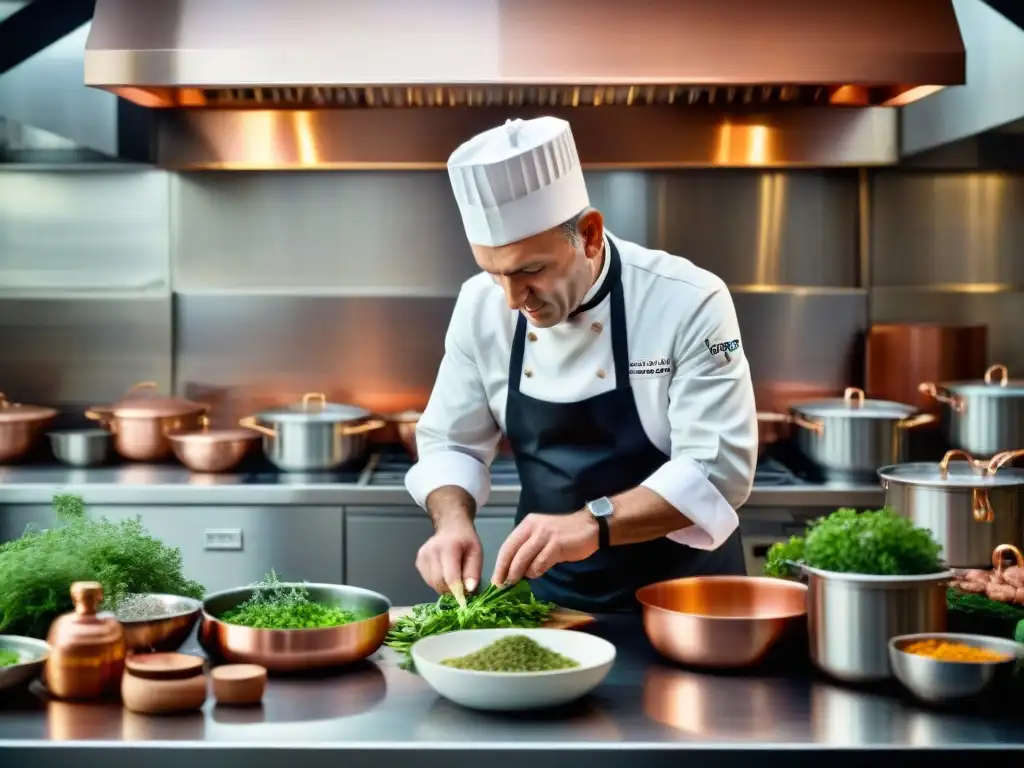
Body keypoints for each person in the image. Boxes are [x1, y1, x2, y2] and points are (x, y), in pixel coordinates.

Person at [405, 116, 757, 613]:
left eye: (531, 270)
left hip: (683, 603)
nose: (511, 300)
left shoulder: (688, 300)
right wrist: (452, 522)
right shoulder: (479, 305)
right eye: (493, 273)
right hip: (548, 602)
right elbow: (451, 442)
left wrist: (590, 524)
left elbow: (717, 471)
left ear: (589, 235)